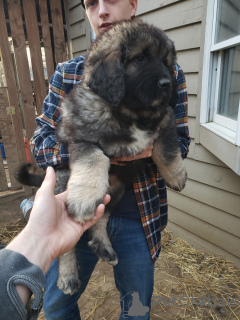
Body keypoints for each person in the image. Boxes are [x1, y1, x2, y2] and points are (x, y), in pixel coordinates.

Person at [21, 0, 190, 319]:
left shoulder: (168, 72)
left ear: (133, 5)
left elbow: (179, 139)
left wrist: (155, 153)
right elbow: (42, 143)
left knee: (136, 306)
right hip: (74, 211)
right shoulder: (67, 72)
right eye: (90, 3)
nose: (102, 11)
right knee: (58, 304)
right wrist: (96, 152)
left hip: (138, 216)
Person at [0, 167, 110, 320]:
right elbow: (42, 147)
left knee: (136, 296)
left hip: (137, 211)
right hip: (73, 199)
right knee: (56, 308)